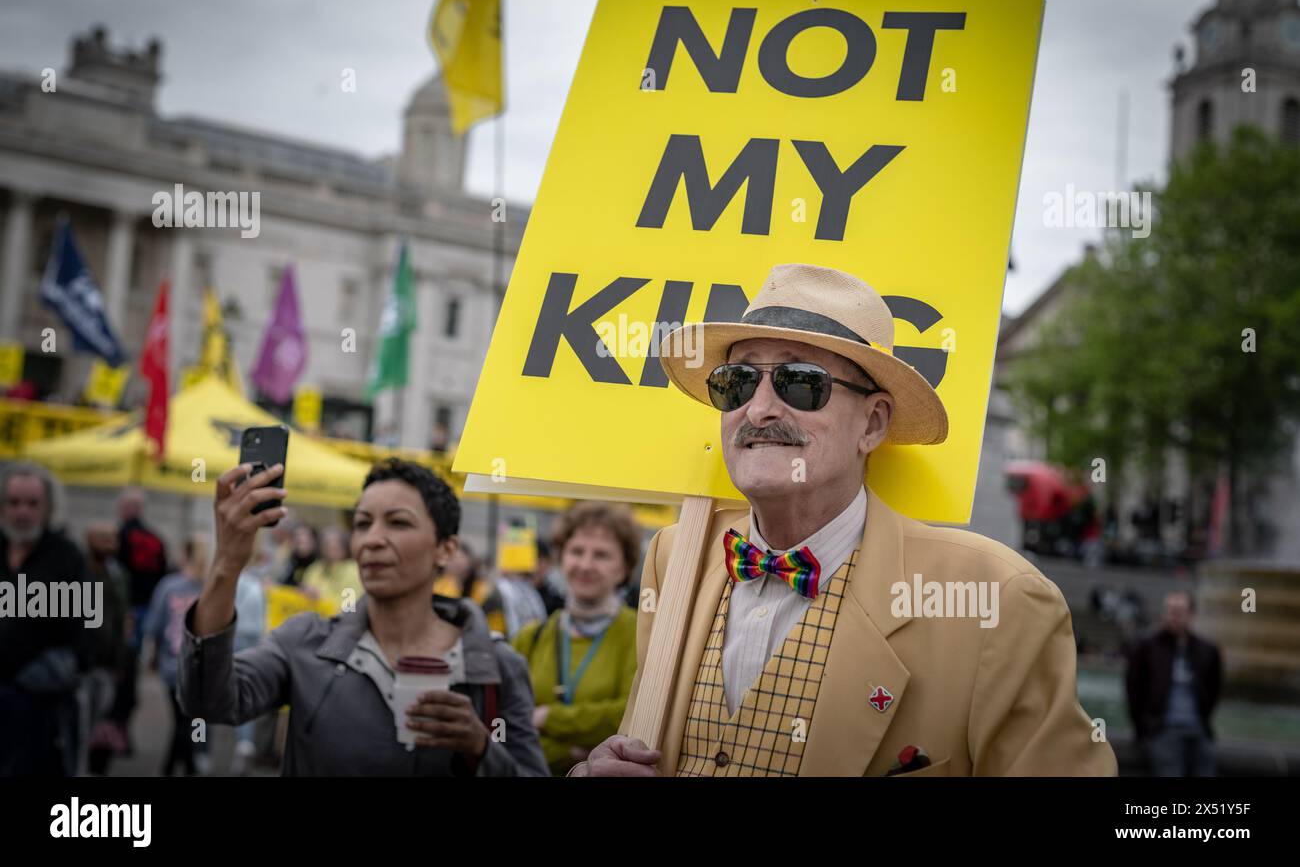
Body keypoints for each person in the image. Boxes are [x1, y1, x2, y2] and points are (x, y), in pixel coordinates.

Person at [573, 264, 1117, 777]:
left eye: (800, 382)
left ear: (873, 423)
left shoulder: (1000, 600)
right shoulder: (676, 557)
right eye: (736, 382)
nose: (758, 409)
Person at [179, 458, 548, 776]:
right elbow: (207, 700)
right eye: (362, 523)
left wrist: (480, 749)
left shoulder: (498, 666)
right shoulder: (306, 642)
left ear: (445, 549)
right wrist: (227, 563)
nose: (373, 539)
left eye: (398, 523)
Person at [513, 503, 640, 775]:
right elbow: (505, 724)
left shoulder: (641, 634)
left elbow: (628, 716)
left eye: (602, 555)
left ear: (624, 567)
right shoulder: (531, 637)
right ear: (561, 558)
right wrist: (573, 753)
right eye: (577, 551)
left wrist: (547, 718)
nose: (585, 564)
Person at [0, 461, 89, 776]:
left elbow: (86, 630)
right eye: (14, 503)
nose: (22, 512)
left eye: (32, 503)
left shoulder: (66, 556)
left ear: (47, 507)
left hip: (41, 704)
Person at [1125, 590, 1222, 776]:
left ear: (1191, 615)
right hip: (1162, 730)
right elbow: (1133, 690)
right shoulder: (1146, 646)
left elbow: (1214, 688)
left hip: (1198, 729)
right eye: (1169, 611)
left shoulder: (1207, 649)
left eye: (1179, 611)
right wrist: (1144, 730)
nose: (1173, 616)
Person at [144, 534, 210, 776]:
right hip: (201, 665)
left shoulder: (169, 586)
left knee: (184, 720)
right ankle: (188, 763)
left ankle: (176, 766)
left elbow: (153, 625)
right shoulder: (211, 588)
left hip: (173, 663)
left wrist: (150, 656)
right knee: (192, 720)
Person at [115, 486, 169, 751]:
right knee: (130, 670)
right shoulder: (155, 539)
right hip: (145, 611)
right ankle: (121, 731)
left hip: (124, 613)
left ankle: (114, 731)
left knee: (119, 672)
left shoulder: (117, 537)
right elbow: (163, 578)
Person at [81, 521, 130, 775]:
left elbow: (120, 619)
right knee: (81, 723)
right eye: (105, 539)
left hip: (108, 662)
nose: (112, 545)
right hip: (83, 664)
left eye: (113, 539)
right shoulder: (79, 573)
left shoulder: (117, 574)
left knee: (100, 718)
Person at [300, 526, 363, 611]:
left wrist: (320, 600)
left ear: (345, 547)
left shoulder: (353, 571)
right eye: (326, 544)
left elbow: (348, 608)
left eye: (335, 545)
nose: (330, 547)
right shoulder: (314, 569)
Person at [278, 523, 318, 587]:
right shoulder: (291, 561)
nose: (299, 538)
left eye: (304, 541)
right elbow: (283, 583)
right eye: (296, 536)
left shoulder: (319, 565)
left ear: (314, 541)